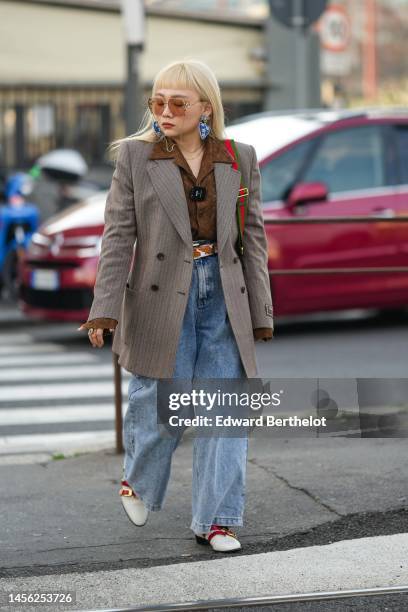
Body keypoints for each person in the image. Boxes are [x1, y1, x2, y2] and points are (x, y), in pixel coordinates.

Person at [78, 59, 274, 553]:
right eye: (157, 101)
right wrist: (105, 308)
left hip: (224, 292)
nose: (164, 111)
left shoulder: (238, 156)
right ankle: (138, 481)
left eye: (177, 103)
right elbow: (119, 237)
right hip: (162, 293)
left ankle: (218, 520)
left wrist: (261, 312)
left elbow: (252, 238)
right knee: (162, 407)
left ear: (206, 107)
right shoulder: (135, 158)